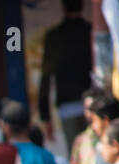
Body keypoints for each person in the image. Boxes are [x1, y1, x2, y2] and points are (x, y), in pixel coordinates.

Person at [37, 0, 94, 148]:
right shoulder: (91, 31)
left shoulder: (54, 36)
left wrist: (45, 117)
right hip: (93, 100)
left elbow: (46, 77)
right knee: (95, 147)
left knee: (75, 150)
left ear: (63, 7)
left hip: (66, 104)